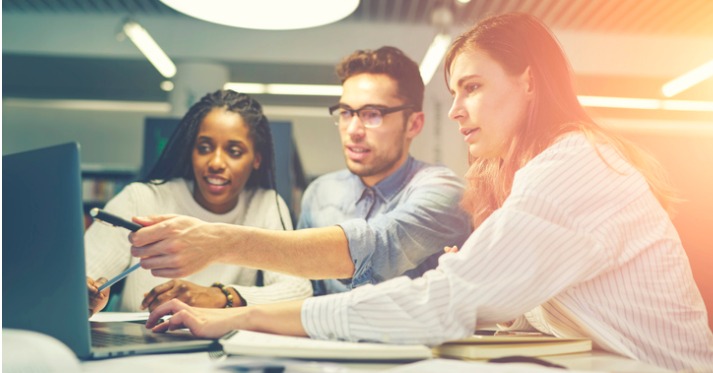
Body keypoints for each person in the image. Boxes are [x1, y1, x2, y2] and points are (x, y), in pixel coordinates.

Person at [142, 13, 713, 372]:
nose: (457, 110)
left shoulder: (574, 164)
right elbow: (525, 308)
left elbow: (441, 300)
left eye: (472, 87)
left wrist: (238, 304)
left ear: (529, 83)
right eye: (346, 112)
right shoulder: (545, 167)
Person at [126, 46, 472, 293]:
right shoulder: (322, 193)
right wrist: (218, 306)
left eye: (372, 114)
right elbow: (306, 295)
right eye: (346, 112)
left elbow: (378, 246)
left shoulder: (442, 191)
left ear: (414, 123)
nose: (353, 129)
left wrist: (218, 241)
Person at [86, 90, 312, 316]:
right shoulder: (141, 198)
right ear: (190, 152)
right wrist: (87, 295)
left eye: (234, 151)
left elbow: (298, 290)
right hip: (139, 341)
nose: (215, 162)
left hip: (219, 346)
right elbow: (80, 277)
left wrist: (220, 296)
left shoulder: (264, 205)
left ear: (256, 159)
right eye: (204, 148)